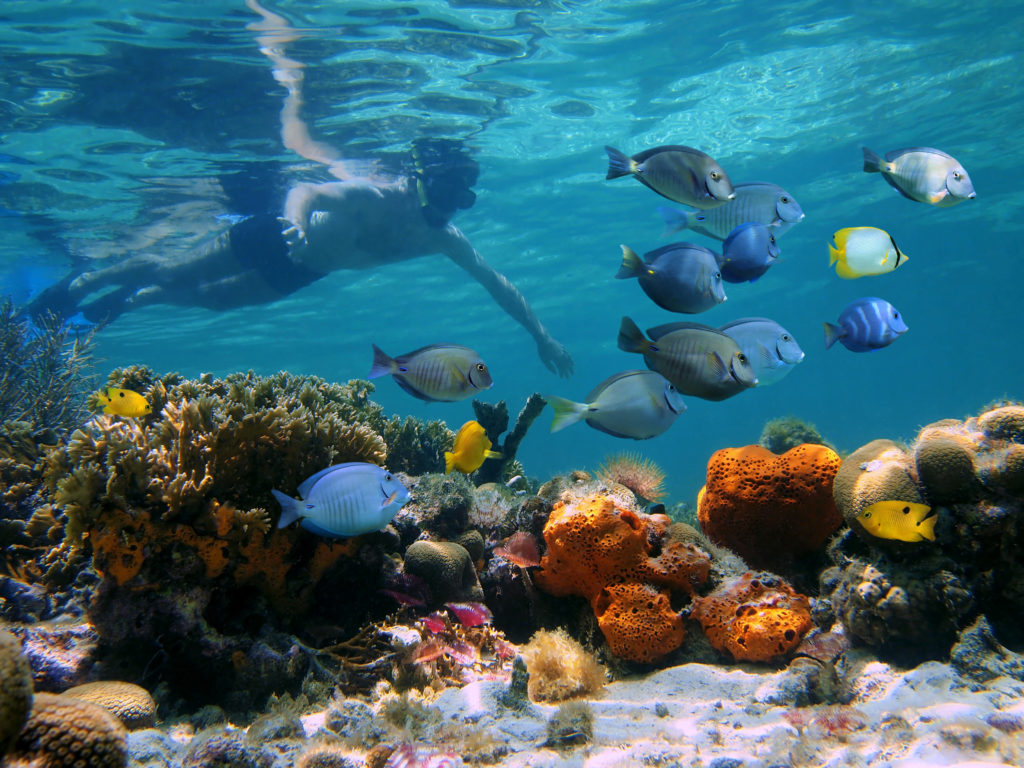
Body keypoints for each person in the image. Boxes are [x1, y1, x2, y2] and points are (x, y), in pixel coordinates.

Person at [28, 0, 574, 378]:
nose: (454, 208)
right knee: (172, 268)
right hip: (279, 235)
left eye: (462, 201)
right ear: (424, 180)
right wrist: (291, 220)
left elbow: (496, 284)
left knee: (214, 302)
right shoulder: (376, 196)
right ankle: (84, 283)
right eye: (451, 194)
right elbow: (308, 193)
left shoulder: (442, 238)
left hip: (307, 270)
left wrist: (541, 336)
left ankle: (131, 301)